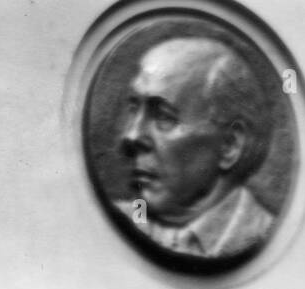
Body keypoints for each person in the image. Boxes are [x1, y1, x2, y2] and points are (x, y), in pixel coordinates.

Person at [116, 36, 275, 260]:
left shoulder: (267, 238)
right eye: (135, 109)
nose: (131, 135)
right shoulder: (114, 221)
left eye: (163, 116)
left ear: (230, 145)